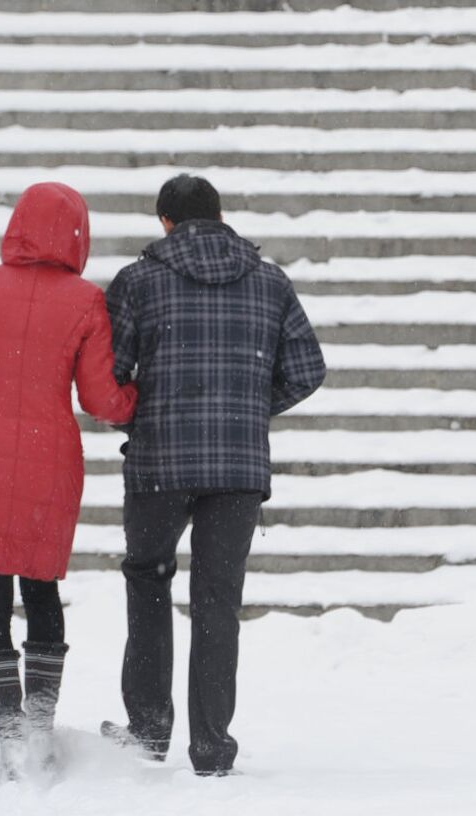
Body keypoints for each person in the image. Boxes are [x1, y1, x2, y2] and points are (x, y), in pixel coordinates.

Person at [100, 174, 326, 776]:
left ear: (165, 223)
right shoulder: (270, 281)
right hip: (238, 465)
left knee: (148, 582)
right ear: (221, 217)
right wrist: (247, 406)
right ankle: (211, 747)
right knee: (217, 601)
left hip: (159, 463)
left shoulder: (138, 280)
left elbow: (111, 373)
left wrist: (152, 409)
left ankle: (148, 730)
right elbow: (308, 370)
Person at [0, 182, 136, 781]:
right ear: (77, 234)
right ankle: (40, 723)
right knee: (42, 589)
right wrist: (135, 401)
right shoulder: (84, 301)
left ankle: (10, 733)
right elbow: (100, 397)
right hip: (51, 457)